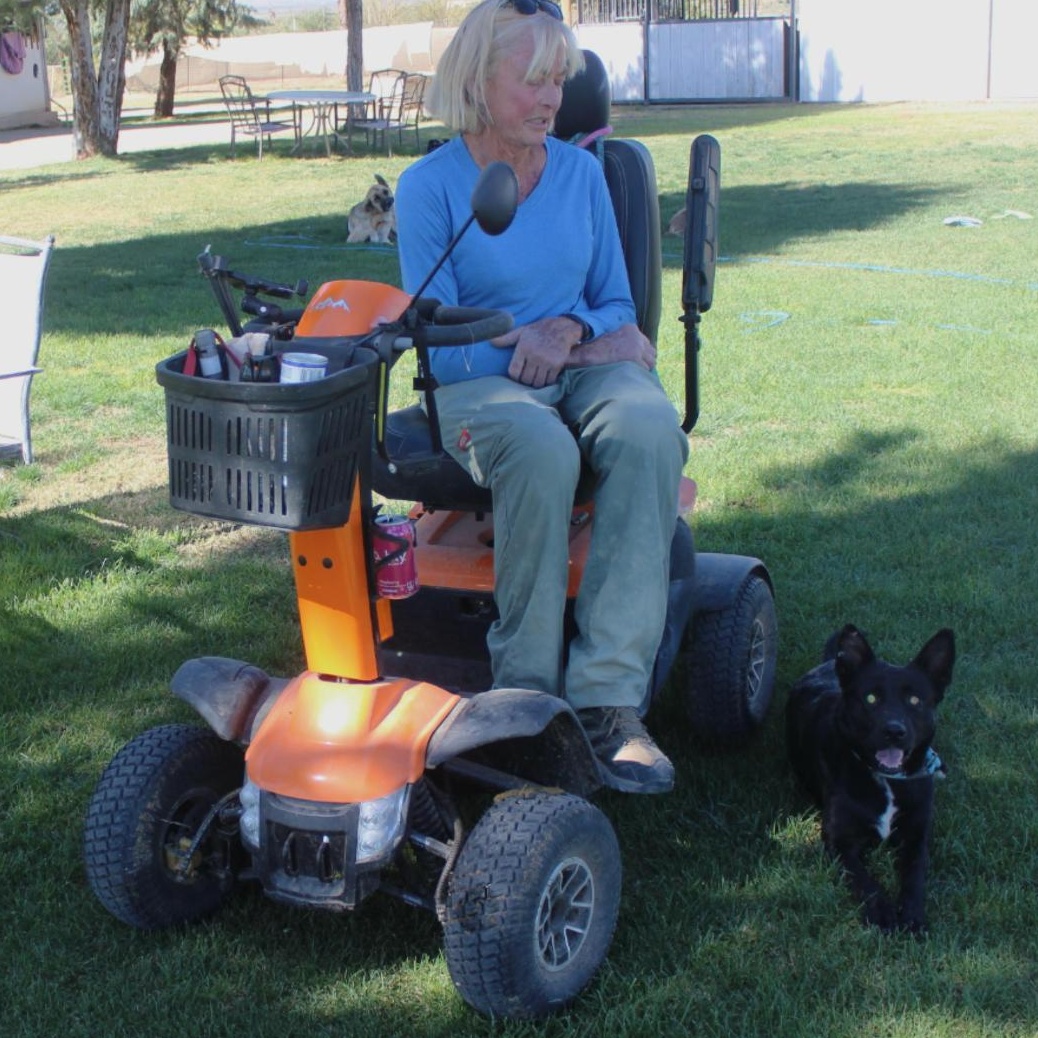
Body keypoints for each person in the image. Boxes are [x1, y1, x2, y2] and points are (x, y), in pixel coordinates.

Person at [395, 0, 689, 794]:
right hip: (479, 384)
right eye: (531, 79)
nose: (551, 98)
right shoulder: (429, 190)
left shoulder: (585, 177)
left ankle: (607, 704)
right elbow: (442, 342)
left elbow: (616, 309)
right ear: (477, 79)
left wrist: (564, 334)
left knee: (647, 423)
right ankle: (522, 695)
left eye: (558, 79)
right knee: (539, 442)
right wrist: (534, 342)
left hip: (577, 361)